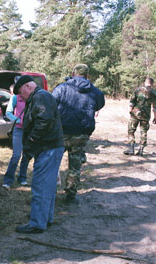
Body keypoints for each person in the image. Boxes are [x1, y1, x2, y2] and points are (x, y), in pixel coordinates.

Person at [14, 76, 64, 234]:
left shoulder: (41, 96)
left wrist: (32, 140)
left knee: (40, 185)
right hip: (50, 147)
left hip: (47, 148)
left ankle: (37, 223)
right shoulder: (41, 96)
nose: (20, 97)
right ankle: (44, 218)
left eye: (21, 93)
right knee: (47, 186)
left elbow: (43, 120)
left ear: (28, 87)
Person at [52, 64, 105, 202]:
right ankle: (71, 193)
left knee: (53, 163)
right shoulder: (95, 91)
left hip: (61, 132)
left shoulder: (61, 88)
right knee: (75, 165)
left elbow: (51, 104)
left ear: (73, 73)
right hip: (81, 133)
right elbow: (99, 104)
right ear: (87, 76)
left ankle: (49, 191)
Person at [2, 81, 30, 189]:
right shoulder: (15, 98)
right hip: (18, 130)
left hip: (29, 130)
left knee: (27, 155)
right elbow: (8, 113)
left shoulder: (32, 98)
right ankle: (8, 180)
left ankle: (22, 178)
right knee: (17, 155)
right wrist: (17, 120)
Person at [123, 77, 156, 156]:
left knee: (131, 130)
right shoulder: (154, 93)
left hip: (135, 113)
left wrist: (130, 110)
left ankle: (131, 148)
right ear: (152, 83)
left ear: (145, 82)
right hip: (146, 115)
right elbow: (155, 107)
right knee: (143, 131)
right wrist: (155, 117)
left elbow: (132, 102)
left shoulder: (137, 90)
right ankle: (141, 149)